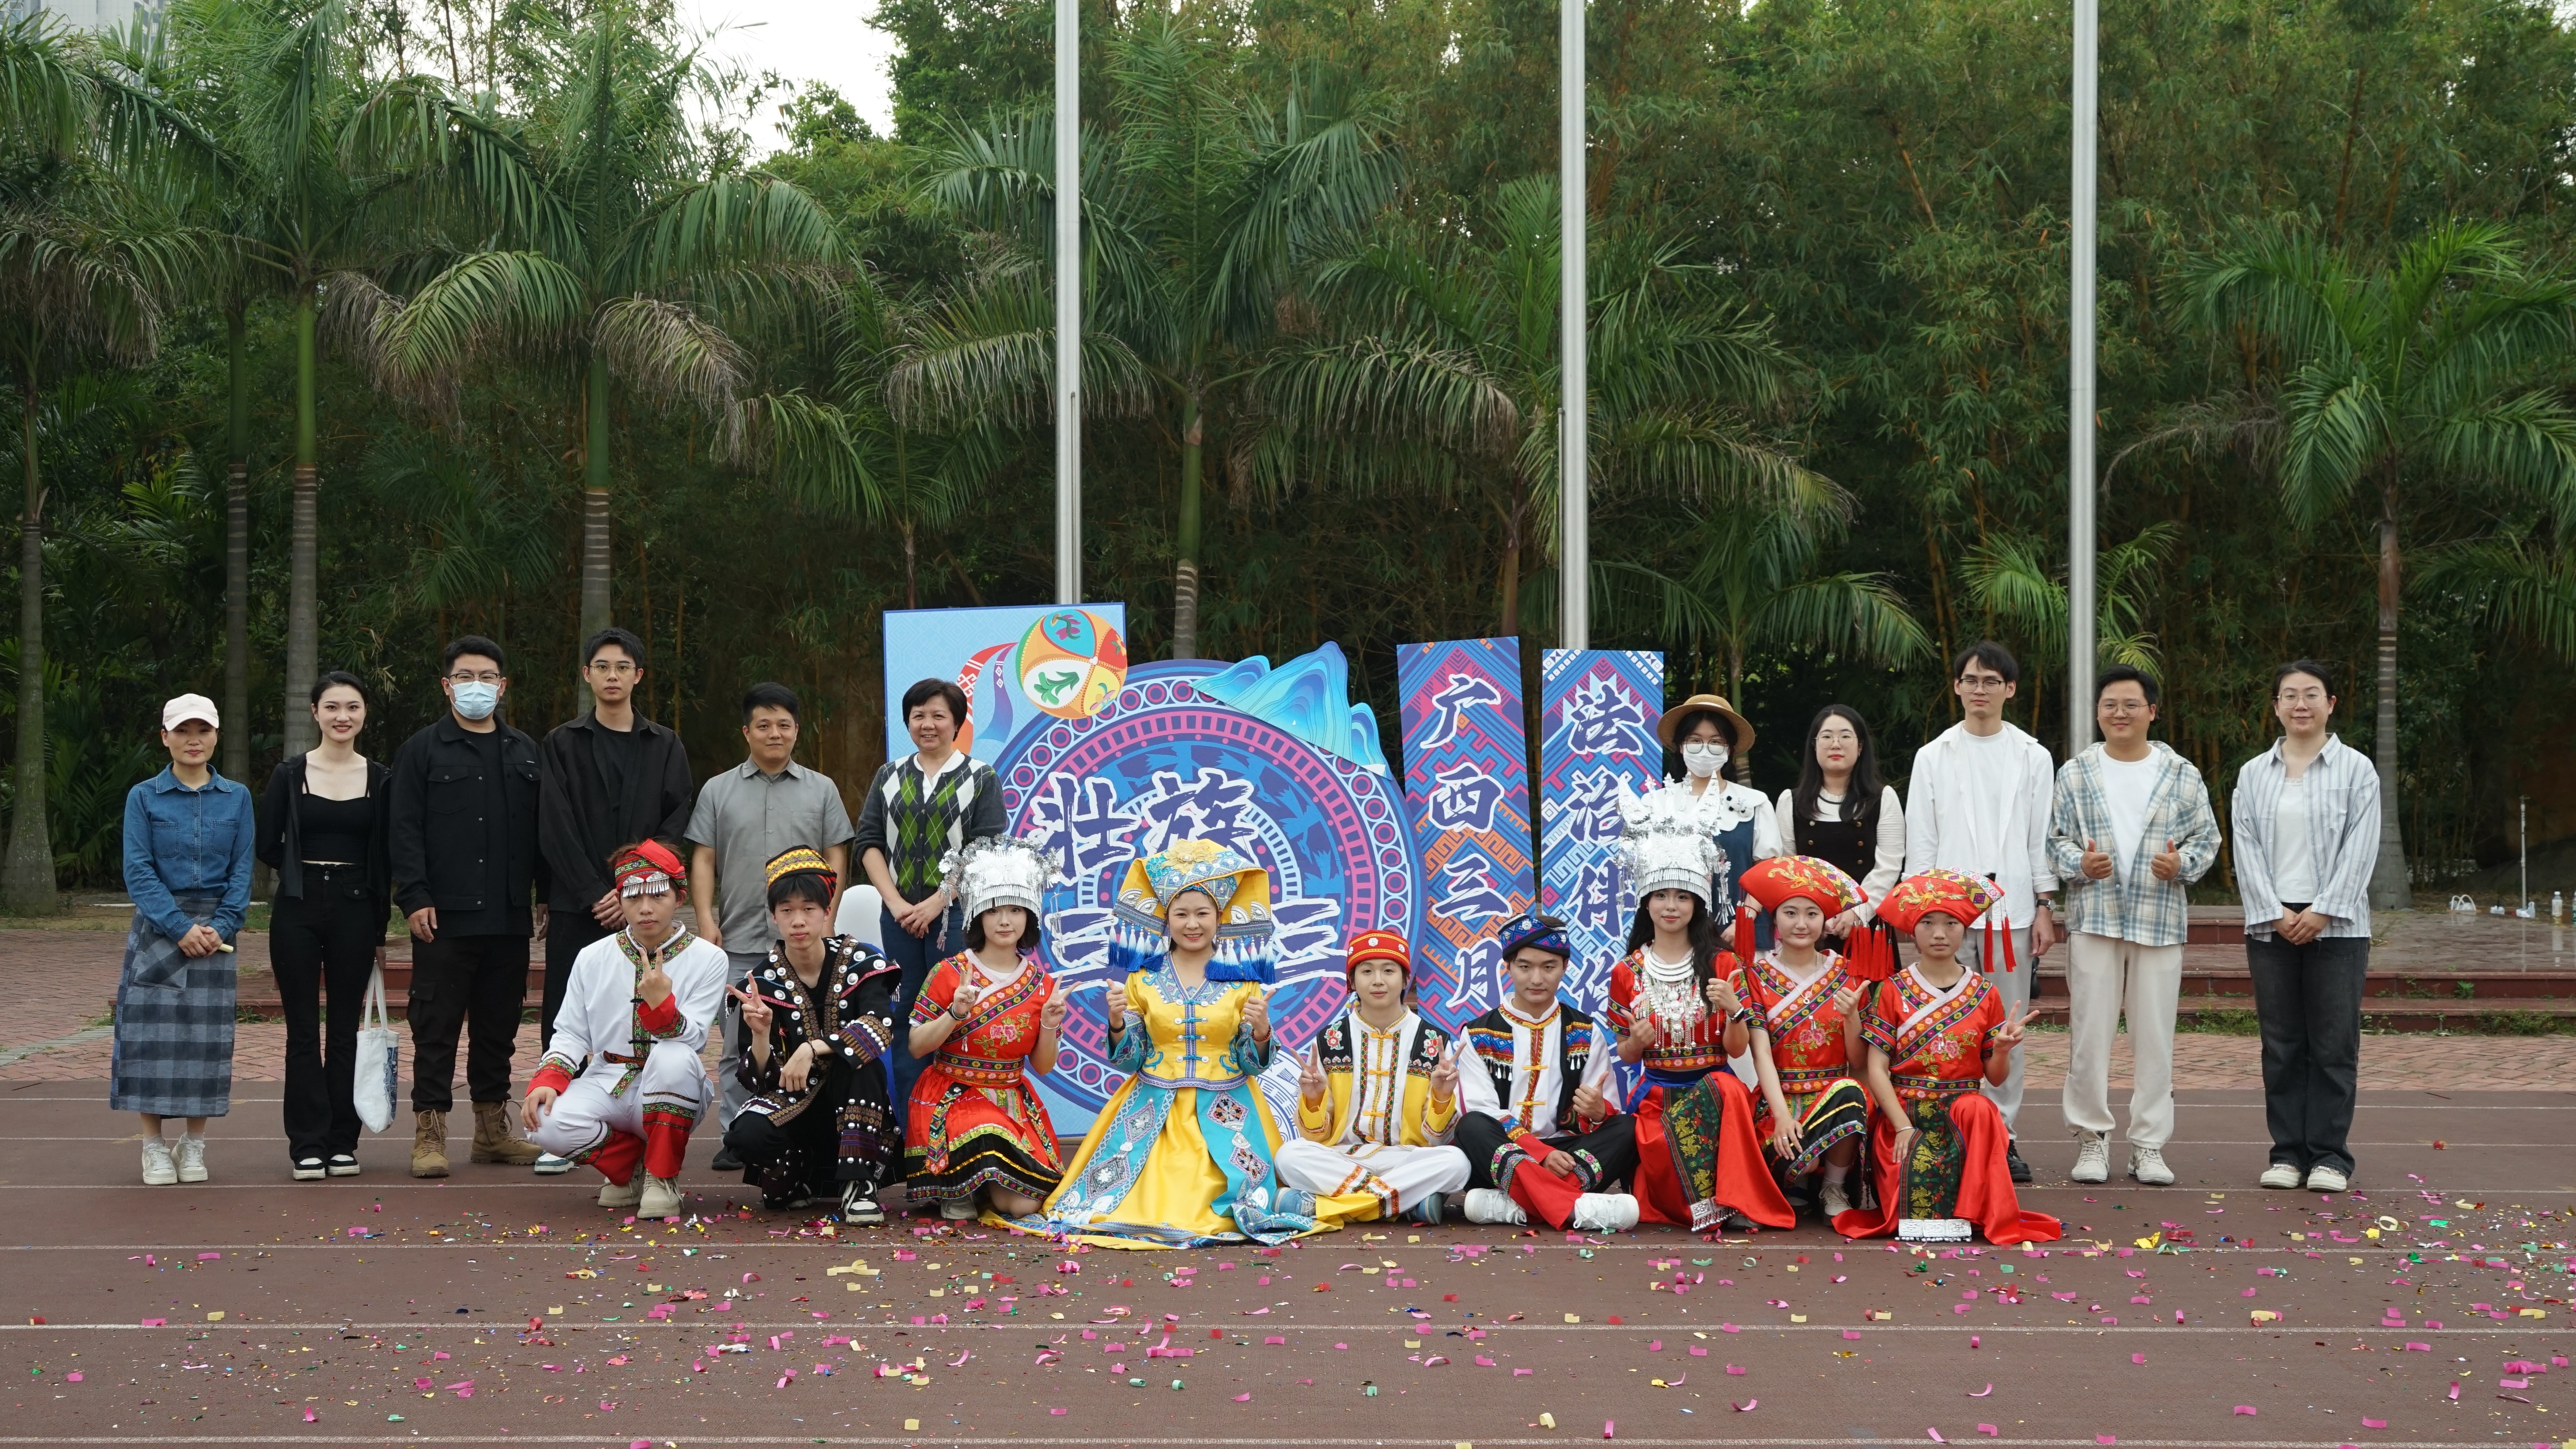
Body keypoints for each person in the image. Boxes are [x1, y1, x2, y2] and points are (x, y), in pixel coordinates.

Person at [1021, 839, 1373, 1246]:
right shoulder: (1142, 978)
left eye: (1202, 913)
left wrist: (1261, 1030)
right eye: (1181, 914)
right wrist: (1117, 1022)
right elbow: (1130, 1060)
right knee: (1116, 1200)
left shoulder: (1243, 981)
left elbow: (1253, 1064)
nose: (1192, 924)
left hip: (1230, 1106)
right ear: (1166, 918)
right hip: (1152, 1106)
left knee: (1243, 1191)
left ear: (1219, 918)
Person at [2046, 665, 2223, 1188]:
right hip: (2095, 917)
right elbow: (2055, 841)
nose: (2119, 713)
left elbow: (2207, 839)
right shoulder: (2076, 772)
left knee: (2155, 1038)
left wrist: (2182, 864)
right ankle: (2092, 1139)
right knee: (2089, 1035)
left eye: (2130, 704)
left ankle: (2148, 1144)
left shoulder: (2180, 773)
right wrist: (2080, 863)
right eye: (2109, 705)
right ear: (2098, 712)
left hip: (2158, 917)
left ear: (2152, 710)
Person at [389, 636, 549, 1178]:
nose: (475, 686)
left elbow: (541, 830)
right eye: (464, 677)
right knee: (435, 1029)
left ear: (502, 686)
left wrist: (546, 893)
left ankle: (491, 1131)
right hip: (443, 919)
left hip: (508, 917)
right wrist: (414, 896)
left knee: (498, 1029)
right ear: (447, 685)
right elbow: (403, 828)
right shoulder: (422, 750)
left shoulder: (525, 751)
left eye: (486, 677)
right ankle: (430, 1134)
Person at [536, 627, 694, 1175]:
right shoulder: (561, 743)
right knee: (568, 1009)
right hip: (579, 903)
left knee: (648, 1010)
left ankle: (647, 1118)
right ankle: (562, 1117)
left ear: (638, 676)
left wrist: (634, 887)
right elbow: (553, 824)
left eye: (622, 667)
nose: (612, 676)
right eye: (601, 666)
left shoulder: (665, 744)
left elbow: (676, 819)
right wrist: (594, 892)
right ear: (587, 675)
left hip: (647, 905)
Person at [1832, 870, 2061, 1246]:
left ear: (1965, 929)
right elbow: (1876, 1069)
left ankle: (1975, 1211)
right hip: (1906, 1112)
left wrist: (2002, 1050)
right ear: (1912, 931)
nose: (1939, 933)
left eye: (1951, 923)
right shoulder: (1891, 990)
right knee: (1913, 1177)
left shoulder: (1985, 993)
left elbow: (1995, 1078)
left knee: (1980, 1107)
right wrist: (1902, 1127)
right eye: (1928, 923)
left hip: (1962, 1117)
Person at [1604, 791, 1795, 1232]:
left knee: (1725, 1087)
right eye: (1661, 896)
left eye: (1682, 897)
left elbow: (1737, 1049)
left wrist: (1734, 1012)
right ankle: (1705, 1201)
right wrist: (1637, 1043)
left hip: (1717, 1095)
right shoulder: (1627, 971)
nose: (1671, 906)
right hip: (1657, 1098)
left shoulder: (1724, 964)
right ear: (1646, 902)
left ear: (1697, 904)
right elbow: (1627, 1054)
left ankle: (1731, 1197)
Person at [1903, 640, 2057, 1182]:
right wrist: (1920, 910)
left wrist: (2044, 903)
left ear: (2010, 689)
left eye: (1992, 681)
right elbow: (1922, 838)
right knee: (1942, 1020)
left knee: (2004, 1026)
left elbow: (2039, 837)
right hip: (1946, 911)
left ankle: (2003, 1134)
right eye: (1971, 680)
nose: (1980, 690)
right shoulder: (1934, 755)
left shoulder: (2033, 756)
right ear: (1957, 686)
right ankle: (1944, 1128)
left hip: (2011, 909)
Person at [686, 682, 855, 1166]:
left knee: (810, 1037)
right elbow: (704, 858)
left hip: (806, 943)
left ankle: (803, 1134)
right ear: (747, 732)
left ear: (797, 730)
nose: (774, 733)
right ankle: (737, 1137)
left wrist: (828, 920)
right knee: (738, 1041)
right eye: (764, 725)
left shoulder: (822, 789)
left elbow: (836, 855)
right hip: (739, 936)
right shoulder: (717, 790)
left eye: (784, 725)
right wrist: (706, 919)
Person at [2230, 660, 2380, 1194]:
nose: (2301, 704)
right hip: (2271, 924)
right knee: (2282, 1044)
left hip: (2338, 927)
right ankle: (2288, 1154)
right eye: (2289, 695)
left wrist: (2323, 910)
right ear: (2276, 707)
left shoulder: (2357, 770)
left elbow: (2362, 848)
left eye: (2312, 694)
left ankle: (2330, 1157)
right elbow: (2245, 847)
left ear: (2331, 704)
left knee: (2334, 1045)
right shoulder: (2253, 774)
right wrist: (2273, 910)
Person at [525, 841, 728, 1219]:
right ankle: (631, 1166)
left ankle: (662, 1177)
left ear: (680, 897)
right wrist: (548, 1079)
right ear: (620, 899)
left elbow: (695, 1038)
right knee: (543, 1122)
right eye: (633, 898)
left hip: (675, 1083)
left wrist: (661, 1005)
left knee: (672, 1056)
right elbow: (571, 1033)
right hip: (608, 1078)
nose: (646, 908)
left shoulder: (708, 958)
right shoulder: (592, 957)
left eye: (658, 896)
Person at [114, 694, 256, 1186]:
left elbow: (242, 869)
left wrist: (223, 924)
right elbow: (138, 869)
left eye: (203, 730)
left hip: (217, 931)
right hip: (159, 928)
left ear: (216, 736)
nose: (193, 740)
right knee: (148, 1040)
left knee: (205, 1041)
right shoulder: (143, 797)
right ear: (165, 737)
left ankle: (194, 1144)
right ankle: (152, 1147)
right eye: (182, 731)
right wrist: (179, 927)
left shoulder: (237, 797)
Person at [256, 672, 392, 1181]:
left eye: (352, 707)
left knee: (344, 1032)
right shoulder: (289, 774)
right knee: (302, 1031)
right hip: (298, 907)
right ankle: (307, 1144)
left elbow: (385, 857)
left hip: (356, 908)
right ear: (314, 712)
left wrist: (379, 928)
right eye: (332, 706)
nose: (342, 716)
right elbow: (267, 843)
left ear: (364, 714)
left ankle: (341, 1142)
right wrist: (302, 871)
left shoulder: (381, 778)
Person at [856, 678, 1005, 1129]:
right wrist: (897, 903)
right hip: (899, 915)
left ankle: (958, 1125)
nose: (928, 724)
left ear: (956, 723)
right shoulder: (889, 776)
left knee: (956, 1011)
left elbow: (985, 848)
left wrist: (939, 902)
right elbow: (868, 842)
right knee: (905, 1015)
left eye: (939, 715)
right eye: (918, 715)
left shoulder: (980, 777)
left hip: (957, 917)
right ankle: (912, 1131)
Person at [727, 847, 904, 1221]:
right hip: (795, 1102)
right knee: (745, 1134)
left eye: (808, 909)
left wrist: (812, 1048)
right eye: (787, 911)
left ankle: (859, 1184)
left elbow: (879, 1028)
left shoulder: (864, 962)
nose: (798, 921)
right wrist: (760, 1034)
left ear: (827, 912)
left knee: (864, 1066)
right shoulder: (760, 983)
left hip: (854, 1103)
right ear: (774, 916)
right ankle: (795, 1177)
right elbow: (756, 1080)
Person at [903, 835, 1067, 1221]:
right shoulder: (949, 973)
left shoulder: (1042, 985)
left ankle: (979, 1186)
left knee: (1024, 1205)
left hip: (1012, 1099)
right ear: (977, 916)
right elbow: (916, 1046)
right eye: (994, 910)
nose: (1005, 920)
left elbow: (1043, 1067)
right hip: (954, 1095)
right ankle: (962, 1182)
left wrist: (1048, 1025)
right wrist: (955, 1014)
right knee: (986, 1130)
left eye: (1015, 909)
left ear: (1030, 916)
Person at [1452, 912, 1640, 1232]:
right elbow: (1483, 1110)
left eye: (1549, 967)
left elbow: (1603, 1110)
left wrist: (1598, 1112)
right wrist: (1539, 1155)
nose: (1537, 979)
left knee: (1627, 1128)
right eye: (1525, 967)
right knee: (1472, 1126)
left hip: (1566, 1155)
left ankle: (1516, 1204)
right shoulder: (1478, 1034)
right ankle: (1572, 1207)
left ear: (1565, 967)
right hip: (1504, 1151)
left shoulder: (1585, 1031)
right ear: (1508, 967)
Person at [1273, 930, 1471, 1226]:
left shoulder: (1433, 1042)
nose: (1378, 981)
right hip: (1344, 1157)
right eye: (1367, 971)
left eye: (1389, 971)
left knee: (1456, 1163)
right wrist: (1313, 1099)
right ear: (1352, 982)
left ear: (1405, 979)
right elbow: (1315, 1138)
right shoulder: (1330, 1039)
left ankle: (1326, 1206)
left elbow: (1437, 1139)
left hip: (1407, 1157)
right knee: (1290, 1155)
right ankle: (1405, 1203)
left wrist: (1442, 1096)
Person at [1731, 855, 1874, 1219]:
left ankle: (1832, 1186)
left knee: (1851, 1091)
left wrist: (1852, 1017)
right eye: (1790, 913)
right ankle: (1794, 1182)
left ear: (1825, 920)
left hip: (1832, 1097)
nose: (1801, 924)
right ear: (1775, 919)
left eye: (1812, 914)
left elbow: (1858, 1062)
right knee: (1793, 1156)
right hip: (1778, 1098)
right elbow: (1761, 1053)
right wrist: (1782, 1116)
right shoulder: (1755, 976)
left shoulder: (1848, 974)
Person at [1775, 704, 1905, 975]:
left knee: (1871, 996)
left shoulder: (1883, 798)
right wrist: (1815, 916)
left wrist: (1858, 912)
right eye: (1827, 736)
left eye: (1846, 736)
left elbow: (1889, 865)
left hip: (1867, 925)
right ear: (1814, 745)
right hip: (1810, 927)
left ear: (1860, 746)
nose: (1836, 744)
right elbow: (1787, 867)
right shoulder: (1791, 801)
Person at [1641, 693, 1778, 947]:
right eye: (1695, 740)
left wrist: (1746, 918)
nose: (1705, 749)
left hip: (1740, 935)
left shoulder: (1755, 803)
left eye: (1716, 742)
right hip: (1672, 938)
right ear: (1680, 746)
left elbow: (1768, 872)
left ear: (1730, 749)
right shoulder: (1656, 803)